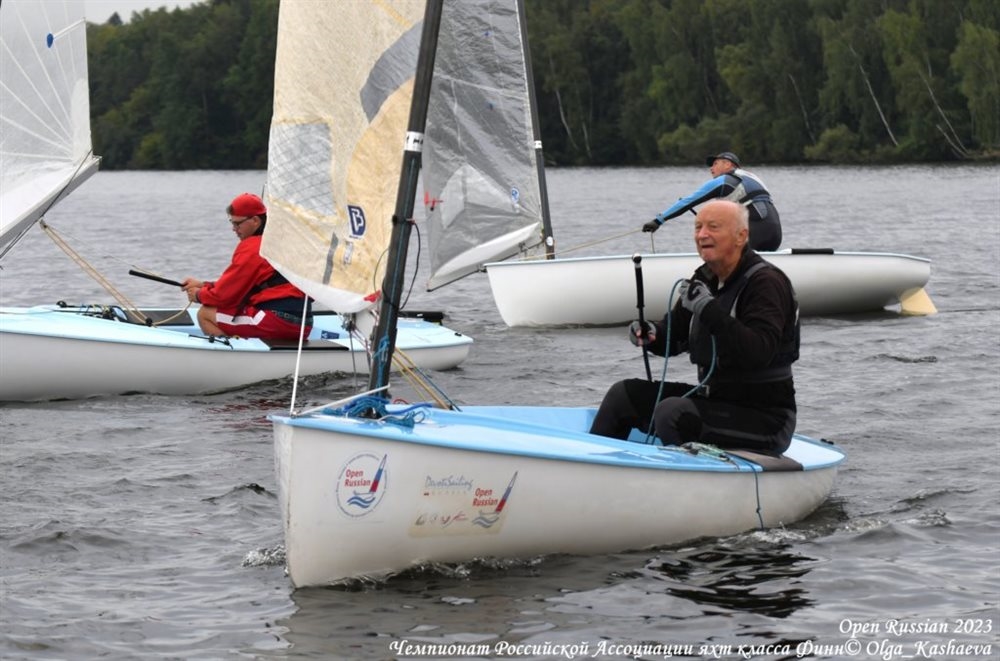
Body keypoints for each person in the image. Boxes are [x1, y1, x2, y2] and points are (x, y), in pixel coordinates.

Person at [593, 199, 799, 455]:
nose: (702, 235)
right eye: (698, 227)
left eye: (713, 227)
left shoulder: (766, 283)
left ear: (741, 236)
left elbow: (758, 352)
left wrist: (709, 309)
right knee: (623, 395)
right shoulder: (704, 277)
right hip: (716, 400)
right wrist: (651, 333)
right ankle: (594, 466)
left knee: (673, 414)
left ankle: (683, 477)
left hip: (766, 417)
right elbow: (674, 335)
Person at [181, 193, 312, 341]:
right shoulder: (281, 241)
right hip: (304, 324)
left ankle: (232, 353)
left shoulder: (252, 247)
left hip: (276, 321)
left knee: (205, 314)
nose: (234, 229)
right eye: (232, 223)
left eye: (237, 224)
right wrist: (203, 285)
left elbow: (224, 296)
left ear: (255, 220)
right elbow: (240, 286)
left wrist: (198, 295)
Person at [642, 151, 782, 251]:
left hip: (756, 234)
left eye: (715, 163)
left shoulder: (724, 181)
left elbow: (687, 201)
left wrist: (658, 221)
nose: (711, 168)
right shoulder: (752, 178)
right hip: (775, 234)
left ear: (727, 164)